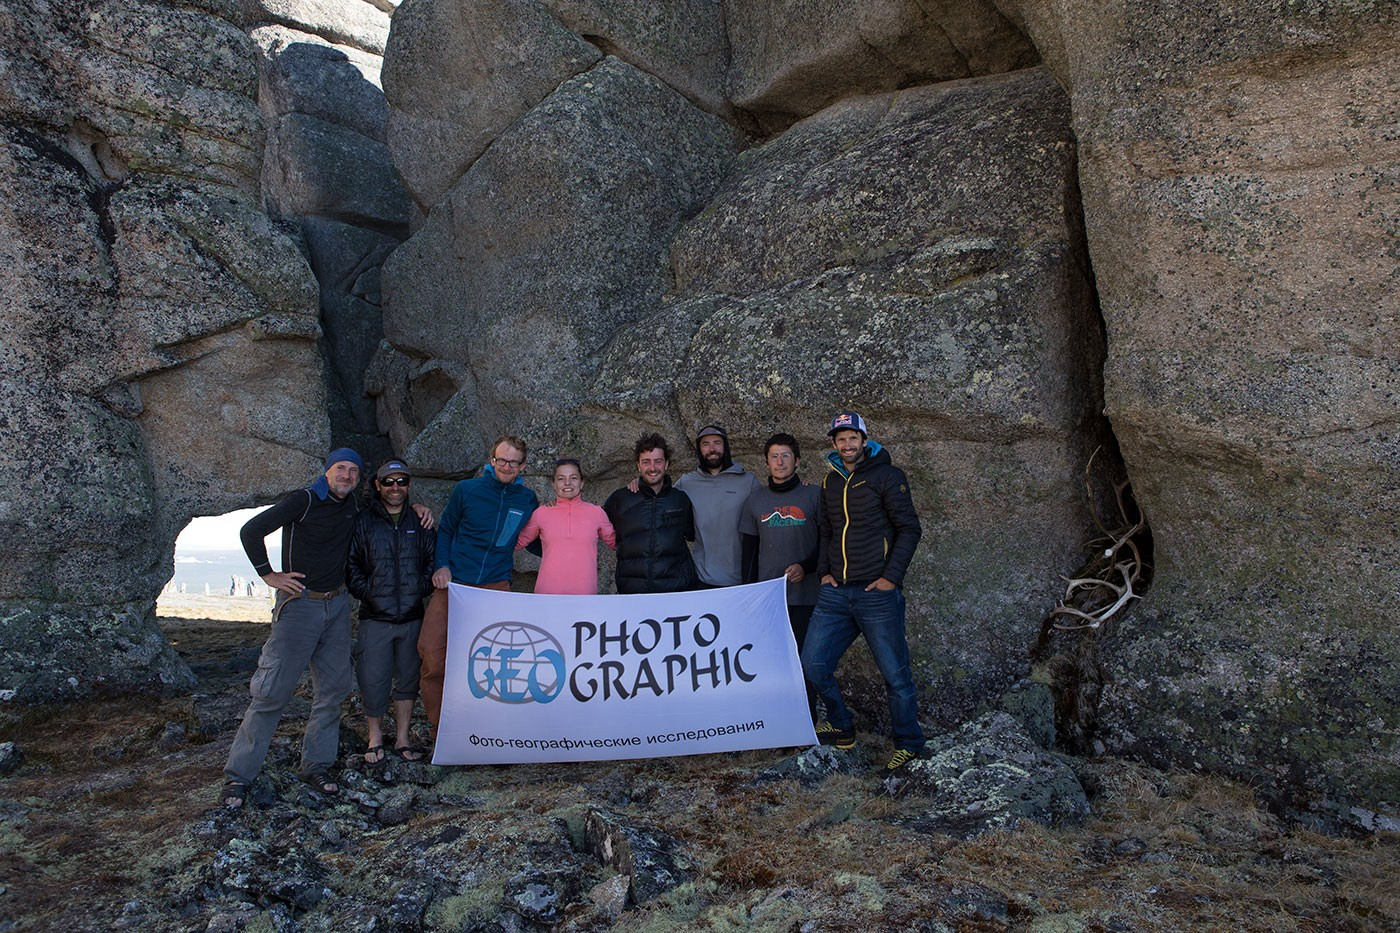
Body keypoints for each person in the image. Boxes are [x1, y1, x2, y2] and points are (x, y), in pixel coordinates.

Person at [221, 448, 431, 807]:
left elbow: (389, 506)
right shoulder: (303, 501)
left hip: (336, 606)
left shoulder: (354, 507)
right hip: (300, 605)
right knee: (272, 692)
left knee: (333, 690)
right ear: (327, 470)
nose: (346, 475)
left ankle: (316, 766)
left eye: (353, 470)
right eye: (340, 468)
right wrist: (268, 574)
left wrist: (419, 507)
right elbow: (251, 530)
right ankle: (238, 776)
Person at [800, 412, 926, 771]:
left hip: (877, 594)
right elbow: (827, 531)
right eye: (841, 439)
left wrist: (891, 579)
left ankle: (909, 744)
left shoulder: (888, 476)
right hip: (836, 594)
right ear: (834, 443)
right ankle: (842, 724)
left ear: (864, 440)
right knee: (812, 665)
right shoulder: (830, 481)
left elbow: (909, 529)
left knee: (896, 675)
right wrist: (825, 573)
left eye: (853, 437)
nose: (847, 444)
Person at [419, 435, 539, 739]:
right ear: (491, 460)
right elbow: (446, 529)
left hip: (495, 586)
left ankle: (490, 730)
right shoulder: (467, 490)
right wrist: (441, 566)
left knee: (499, 660)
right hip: (454, 583)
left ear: (523, 466)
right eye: (502, 460)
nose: (507, 466)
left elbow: (540, 538)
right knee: (433, 653)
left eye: (514, 462)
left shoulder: (527, 499)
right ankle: (440, 729)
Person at [347, 459, 435, 764]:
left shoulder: (420, 521)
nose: (395, 487)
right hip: (375, 617)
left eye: (401, 481)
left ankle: (402, 738)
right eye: (388, 482)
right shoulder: (363, 521)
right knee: (373, 678)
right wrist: (370, 592)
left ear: (409, 485)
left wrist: (419, 589)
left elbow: (432, 560)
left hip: (412, 616)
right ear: (377, 485)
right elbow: (352, 564)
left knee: (408, 680)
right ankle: (374, 738)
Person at [740, 432, 821, 721]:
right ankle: (777, 721)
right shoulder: (755, 500)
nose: (780, 461)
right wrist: (749, 595)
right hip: (769, 599)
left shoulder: (814, 495)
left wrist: (806, 567)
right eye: (774, 456)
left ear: (797, 460)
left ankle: (807, 722)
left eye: (786, 455)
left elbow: (828, 542)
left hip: (807, 596)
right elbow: (749, 552)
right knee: (773, 662)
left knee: (806, 662)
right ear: (766, 462)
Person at [603, 433, 698, 594]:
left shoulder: (680, 499)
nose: (652, 468)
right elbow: (595, 524)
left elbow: (692, 534)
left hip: (676, 590)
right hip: (633, 591)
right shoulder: (620, 498)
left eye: (658, 461)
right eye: (646, 462)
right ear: (638, 466)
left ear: (666, 464)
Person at [674, 424, 760, 588]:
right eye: (705, 444)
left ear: (725, 447)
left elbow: (771, 506)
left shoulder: (748, 482)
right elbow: (660, 497)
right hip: (701, 579)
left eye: (717, 443)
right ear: (699, 450)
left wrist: (799, 488)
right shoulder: (687, 483)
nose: (712, 449)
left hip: (741, 580)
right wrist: (639, 484)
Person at [516, 459, 616, 595]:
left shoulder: (596, 513)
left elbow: (619, 544)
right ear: (553, 484)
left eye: (573, 478)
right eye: (561, 478)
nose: (567, 483)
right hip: (548, 593)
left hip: (585, 593)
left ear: (582, 482)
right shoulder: (541, 513)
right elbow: (515, 543)